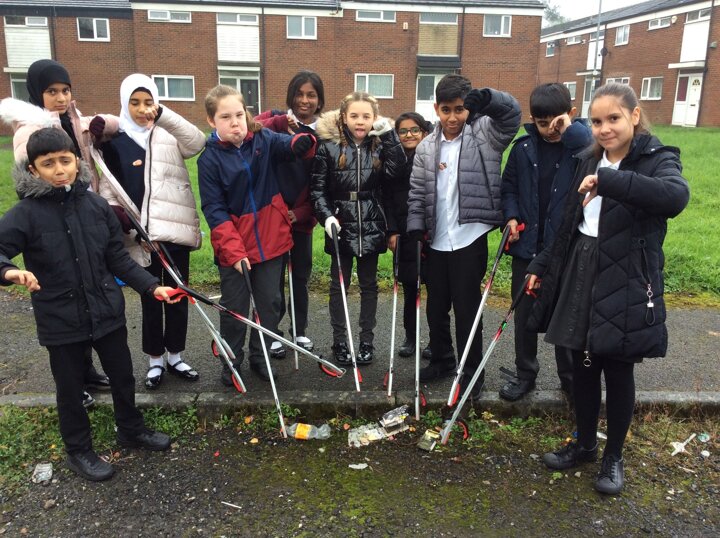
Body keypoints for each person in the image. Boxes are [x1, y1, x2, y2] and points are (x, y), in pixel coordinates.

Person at [527, 83, 689, 495]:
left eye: (613, 118)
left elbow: (675, 197)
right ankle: (584, 444)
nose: (604, 128)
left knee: (617, 368)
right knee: (582, 363)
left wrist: (610, 181)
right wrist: (542, 265)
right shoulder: (588, 158)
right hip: (581, 265)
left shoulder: (658, 157)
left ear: (634, 116)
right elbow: (569, 220)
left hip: (627, 275)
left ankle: (613, 456)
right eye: (597, 121)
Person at [0, 128, 178, 481]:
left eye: (65, 161)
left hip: (106, 310)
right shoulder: (25, 214)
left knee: (122, 376)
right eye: (48, 164)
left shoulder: (96, 207)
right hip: (59, 318)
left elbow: (118, 259)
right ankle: (78, 450)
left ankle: (131, 429)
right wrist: (10, 272)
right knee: (69, 388)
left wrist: (151, 287)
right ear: (33, 169)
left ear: (77, 162)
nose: (59, 170)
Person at [0, 59, 117, 403]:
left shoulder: (72, 119)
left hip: (83, 204)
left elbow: (107, 128)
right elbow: (29, 180)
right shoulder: (29, 130)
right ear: (38, 94)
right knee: (68, 306)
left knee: (87, 293)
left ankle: (88, 372)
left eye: (66, 90)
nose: (61, 98)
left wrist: (102, 123)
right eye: (52, 92)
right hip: (51, 219)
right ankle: (75, 382)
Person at [406, 74, 521, 399]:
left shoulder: (485, 133)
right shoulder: (427, 146)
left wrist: (489, 99)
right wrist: (416, 224)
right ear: (436, 109)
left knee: (467, 310)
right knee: (436, 307)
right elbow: (417, 191)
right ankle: (442, 359)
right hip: (436, 239)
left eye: (460, 109)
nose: (453, 117)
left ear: (469, 109)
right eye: (446, 110)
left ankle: (471, 373)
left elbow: (512, 115)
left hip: (470, 237)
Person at [198, 85, 316, 385]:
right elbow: (214, 210)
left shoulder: (263, 139)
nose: (235, 122)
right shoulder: (209, 160)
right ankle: (231, 362)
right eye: (226, 117)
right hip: (234, 247)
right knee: (235, 308)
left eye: (239, 114)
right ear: (212, 121)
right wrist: (234, 252)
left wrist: (301, 142)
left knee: (269, 303)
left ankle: (260, 356)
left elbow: (288, 145)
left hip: (271, 238)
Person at [96, 74, 204, 390]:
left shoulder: (168, 134)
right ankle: (155, 360)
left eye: (148, 102)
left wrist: (164, 114)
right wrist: (125, 223)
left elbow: (197, 141)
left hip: (173, 229)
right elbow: (109, 188)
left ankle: (176, 356)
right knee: (151, 298)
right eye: (135, 102)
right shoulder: (113, 142)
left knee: (179, 294)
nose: (142, 109)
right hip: (140, 236)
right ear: (124, 104)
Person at [499, 83, 592, 402]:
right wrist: (511, 216)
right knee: (524, 315)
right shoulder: (522, 149)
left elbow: (593, 150)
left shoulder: (582, 148)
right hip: (527, 246)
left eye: (558, 122)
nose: (551, 130)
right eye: (542, 123)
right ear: (532, 119)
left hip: (567, 249)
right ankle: (525, 373)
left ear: (571, 114)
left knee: (567, 315)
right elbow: (508, 188)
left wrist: (570, 130)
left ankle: (571, 378)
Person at [311, 92, 404, 366]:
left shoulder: (380, 145)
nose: (360, 121)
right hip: (340, 224)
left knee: (369, 285)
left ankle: (366, 341)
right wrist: (327, 216)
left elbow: (397, 171)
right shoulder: (328, 147)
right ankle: (340, 341)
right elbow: (317, 190)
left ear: (375, 118)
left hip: (372, 222)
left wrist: (389, 136)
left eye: (366, 116)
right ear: (344, 117)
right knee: (339, 286)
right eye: (354, 116)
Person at [255, 70, 325, 356]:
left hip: (301, 219)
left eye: (311, 95)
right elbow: (249, 128)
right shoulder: (275, 120)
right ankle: (272, 332)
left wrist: (302, 212)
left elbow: (322, 182)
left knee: (299, 277)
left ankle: (299, 331)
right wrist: (280, 122)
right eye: (299, 94)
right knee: (272, 280)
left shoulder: (325, 134)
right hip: (273, 217)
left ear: (319, 100)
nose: (304, 100)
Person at [384, 112, 434, 359]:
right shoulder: (393, 162)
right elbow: (387, 200)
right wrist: (392, 230)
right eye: (403, 131)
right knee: (409, 288)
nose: (409, 135)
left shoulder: (434, 155)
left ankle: (436, 340)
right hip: (404, 233)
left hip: (431, 233)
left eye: (414, 130)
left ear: (424, 132)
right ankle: (410, 337)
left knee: (436, 290)